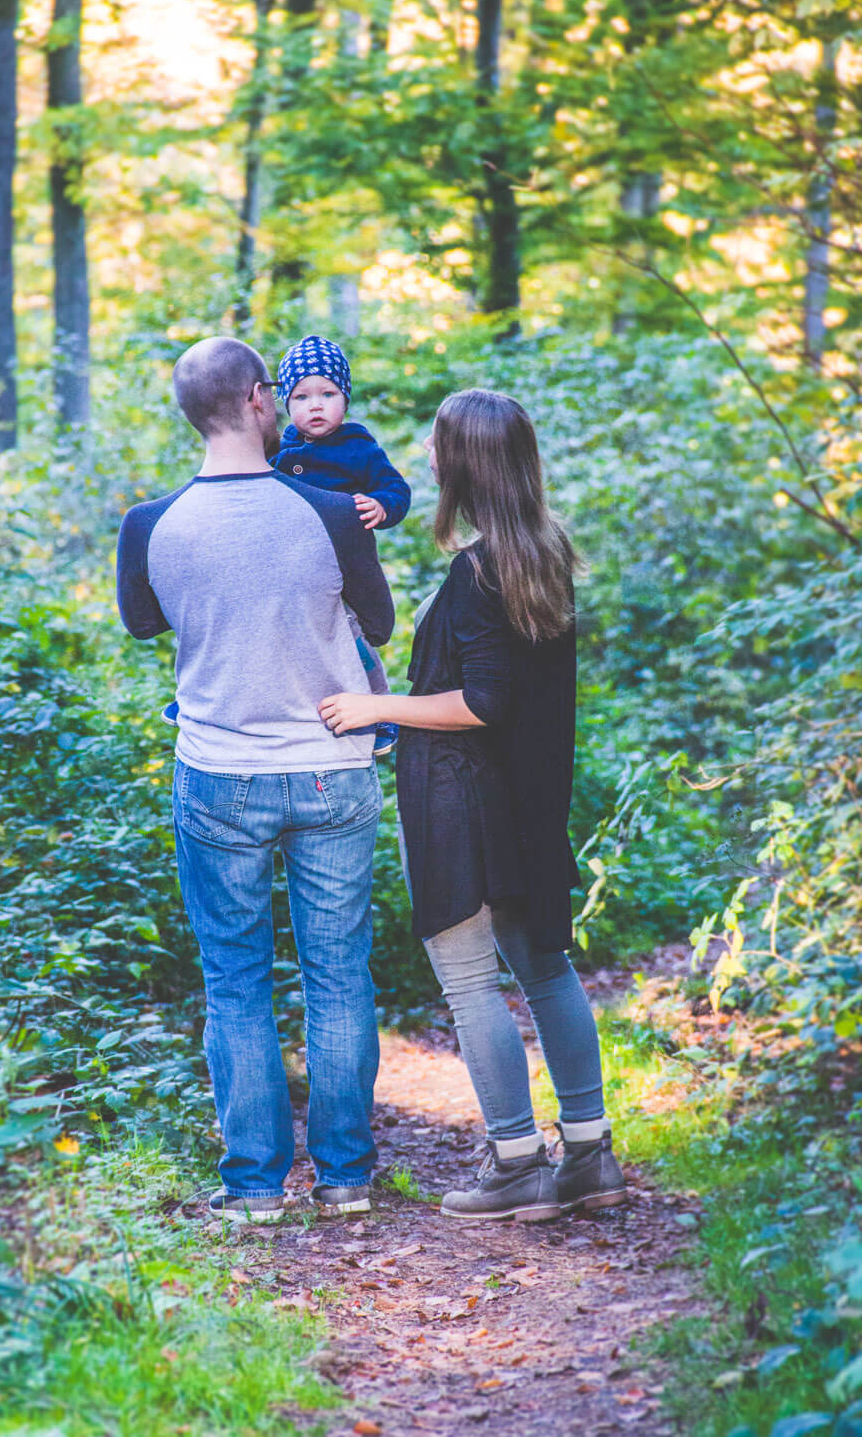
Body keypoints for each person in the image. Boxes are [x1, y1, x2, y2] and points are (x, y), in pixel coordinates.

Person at [319, 388, 627, 1223]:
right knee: (545, 968)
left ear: (465, 462)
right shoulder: (543, 553)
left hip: (461, 797)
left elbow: (484, 700)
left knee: (470, 983)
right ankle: (589, 1155)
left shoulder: (479, 569)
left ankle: (517, 1161)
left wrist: (379, 708)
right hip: (528, 799)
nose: (423, 453)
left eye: (436, 442)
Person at [117, 335, 394, 1224]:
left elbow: (142, 623)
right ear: (256, 401)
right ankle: (347, 1179)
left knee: (235, 979)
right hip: (332, 770)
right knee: (339, 971)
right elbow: (380, 625)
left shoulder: (151, 525)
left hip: (219, 773)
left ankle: (254, 1190)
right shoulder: (327, 511)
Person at [161, 334, 410, 755]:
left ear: (345, 399)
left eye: (328, 394)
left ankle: (379, 710)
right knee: (244, 626)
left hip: (340, 565)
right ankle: (196, 699)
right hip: (281, 560)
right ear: (280, 403)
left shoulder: (359, 446)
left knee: (354, 640)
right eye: (301, 396)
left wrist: (382, 506)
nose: (316, 405)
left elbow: (397, 489)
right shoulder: (279, 446)